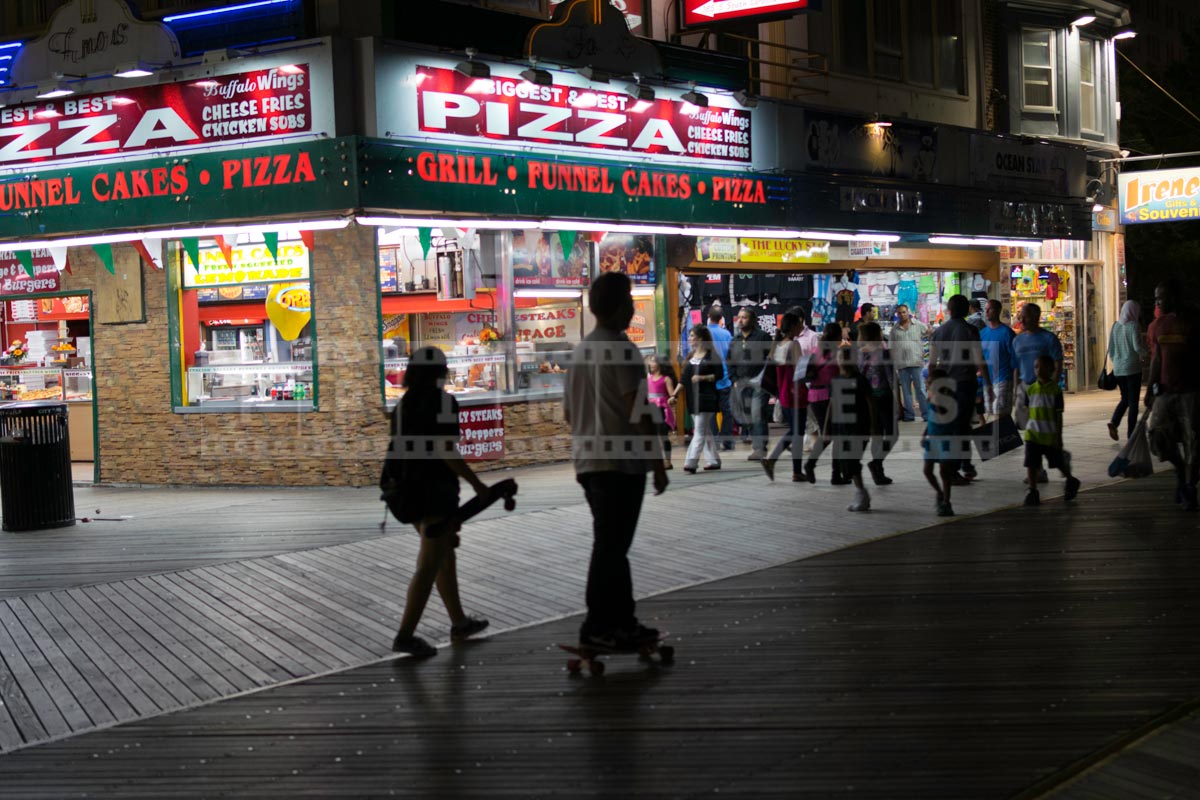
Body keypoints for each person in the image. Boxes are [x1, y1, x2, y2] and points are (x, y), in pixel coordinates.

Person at [564, 272, 669, 651]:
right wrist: (657, 464)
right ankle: (598, 624)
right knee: (611, 546)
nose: (632, 307)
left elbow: (568, 414)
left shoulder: (579, 352)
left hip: (588, 464)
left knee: (611, 544)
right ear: (619, 306)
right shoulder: (623, 350)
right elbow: (637, 411)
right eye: (628, 300)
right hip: (621, 466)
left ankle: (622, 621)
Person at [387, 347, 506, 657]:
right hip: (434, 493)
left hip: (406, 491)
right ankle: (405, 635)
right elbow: (446, 451)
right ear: (439, 371)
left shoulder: (404, 405)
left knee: (443, 558)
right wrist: (477, 484)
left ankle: (459, 621)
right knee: (428, 565)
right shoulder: (442, 402)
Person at [1144, 279, 1200, 511]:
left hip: (1191, 391)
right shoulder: (1158, 325)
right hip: (1166, 391)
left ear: (1175, 297)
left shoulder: (1193, 322)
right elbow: (1157, 359)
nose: (1158, 302)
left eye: (1161, 297)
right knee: (1156, 436)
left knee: (1194, 441)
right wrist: (1150, 388)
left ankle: (1189, 486)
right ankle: (1179, 469)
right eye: (1156, 297)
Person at [930, 294, 992, 483]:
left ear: (949, 310)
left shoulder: (939, 332)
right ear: (966, 310)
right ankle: (958, 467)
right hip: (965, 383)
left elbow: (932, 364)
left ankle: (963, 465)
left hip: (945, 385)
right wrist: (988, 384)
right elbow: (979, 359)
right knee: (963, 426)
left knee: (953, 427)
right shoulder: (970, 330)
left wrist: (932, 388)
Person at [1012, 302, 1063, 484]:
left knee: (1041, 431)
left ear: (1036, 317)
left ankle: (1044, 469)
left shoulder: (1048, 339)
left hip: (1043, 390)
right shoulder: (1017, 340)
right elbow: (1016, 367)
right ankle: (1038, 469)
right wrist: (1016, 391)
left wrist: (1052, 386)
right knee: (1029, 429)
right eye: (1020, 316)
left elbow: (1058, 364)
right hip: (1025, 388)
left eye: (1024, 316)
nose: (1021, 319)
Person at [1023, 355, 1081, 506]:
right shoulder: (1030, 389)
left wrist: (1058, 436)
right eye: (1036, 367)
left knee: (1057, 461)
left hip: (1049, 435)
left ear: (1051, 370)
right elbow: (1027, 410)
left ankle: (1070, 479)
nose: (1038, 370)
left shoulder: (1055, 391)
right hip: (1033, 434)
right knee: (1031, 463)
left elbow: (1058, 415)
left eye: (1042, 367)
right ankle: (1032, 490)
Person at [826, 346, 874, 512]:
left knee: (852, 461)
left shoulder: (860, 380)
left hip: (858, 427)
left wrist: (874, 426)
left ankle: (862, 493)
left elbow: (870, 403)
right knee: (847, 462)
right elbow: (832, 405)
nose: (842, 360)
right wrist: (827, 427)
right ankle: (861, 492)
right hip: (841, 428)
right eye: (840, 357)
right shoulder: (836, 380)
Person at [761, 312, 807, 482]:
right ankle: (791, 469)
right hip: (796, 392)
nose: (801, 327)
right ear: (793, 326)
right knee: (797, 432)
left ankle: (781, 464)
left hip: (784, 393)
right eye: (799, 324)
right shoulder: (793, 345)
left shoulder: (778, 345)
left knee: (795, 431)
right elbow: (799, 370)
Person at [801, 323, 847, 484]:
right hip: (831, 398)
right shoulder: (838, 354)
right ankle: (832, 473)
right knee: (835, 436)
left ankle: (818, 467)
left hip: (814, 396)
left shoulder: (815, 351)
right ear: (837, 336)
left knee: (828, 435)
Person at [727, 306, 774, 460]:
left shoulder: (762, 337)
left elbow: (772, 358)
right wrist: (734, 380)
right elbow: (729, 362)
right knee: (747, 416)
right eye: (739, 317)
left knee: (757, 413)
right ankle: (757, 445)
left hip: (760, 384)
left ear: (752, 320)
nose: (740, 320)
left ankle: (760, 448)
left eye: (744, 317)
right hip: (741, 384)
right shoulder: (735, 340)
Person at [857, 322, 897, 485]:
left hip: (866, 399)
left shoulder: (857, 354)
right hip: (883, 397)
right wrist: (899, 402)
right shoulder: (884, 353)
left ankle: (878, 471)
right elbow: (891, 379)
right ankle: (877, 464)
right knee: (893, 434)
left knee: (877, 435)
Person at [680, 325, 723, 473]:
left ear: (701, 339)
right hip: (692, 399)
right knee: (705, 431)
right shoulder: (691, 357)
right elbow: (684, 379)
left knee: (698, 431)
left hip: (707, 398)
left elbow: (720, 375)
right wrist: (673, 394)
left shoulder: (712, 356)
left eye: (692, 336)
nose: (690, 339)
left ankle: (691, 462)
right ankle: (714, 460)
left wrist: (702, 377)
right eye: (690, 336)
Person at [1107, 300, 1146, 441]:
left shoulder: (1115, 326)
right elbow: (1137, 347)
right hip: (1133, 369)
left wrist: (1117, 361)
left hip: (1118, 370)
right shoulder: (1133, 326)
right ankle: (1131, 434)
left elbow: (1111, 350)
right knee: (1133, 402)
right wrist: (1146, 354)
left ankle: (1114, 422)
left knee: (1125, 399)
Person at [922, 368, 958, 517]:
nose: (926, 384)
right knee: (927, 471)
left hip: (946, 439)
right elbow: (931, 419)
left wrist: (936, 403)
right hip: (933, 439)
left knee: (944, 471)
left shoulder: (949, 400)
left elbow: (945, 419)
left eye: (929, 383)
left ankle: (946, 502)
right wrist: (924, 434)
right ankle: (940, 492)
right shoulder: (931, 398)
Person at [889, 303, 929, 422]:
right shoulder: (894, 330)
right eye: (899, 313)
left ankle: (926, 414)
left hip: (917, 362)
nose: (902, 314)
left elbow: (929, 333)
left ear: (908, 313)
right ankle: (909, 415)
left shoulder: (918, 325)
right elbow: (891, 347)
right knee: (906, 391)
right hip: (902, 364)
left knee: (921, 390)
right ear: (897, 314)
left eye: (904, 312)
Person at [980, 299, 1017, 420]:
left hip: (1003, 378)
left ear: (998, 311)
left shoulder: (1007, 333)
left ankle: (1003, 438)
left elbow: (1014, 359)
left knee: (1000, 415)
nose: (987, 312)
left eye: (990, 309)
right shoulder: (982, 334)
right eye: (985, 309)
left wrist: (1016, 385)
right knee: (990, 415)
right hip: (987, 381)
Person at [706, 307, 735, 451]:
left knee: (711, 412)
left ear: (708, 316)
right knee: (727, 411)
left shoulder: (703, 333)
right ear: (721, 319)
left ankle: (714, 440)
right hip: (725, 378)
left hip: (708, 379)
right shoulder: (726, 334)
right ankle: (727, 441)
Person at [646, 353, 678, 471]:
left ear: (660, 364)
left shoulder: (666, 379)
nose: (651, 364)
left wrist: (672, 399)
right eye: (650, 361)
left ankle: (667, 461)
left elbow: (672, 395)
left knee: (663, 436)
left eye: (653, 361)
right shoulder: (648, 379)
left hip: (661, 409)